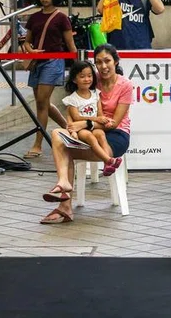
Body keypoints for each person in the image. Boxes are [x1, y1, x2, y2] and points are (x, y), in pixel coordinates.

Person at [41, 44, 132, 224]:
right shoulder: (90, 80)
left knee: (64, 149)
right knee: (57, 134)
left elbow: (113, 122)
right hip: (88, 133)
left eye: (107, 61)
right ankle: (63, 183)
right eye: (99, 62)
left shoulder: (125, 85)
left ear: (116, 61)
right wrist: (74, 125)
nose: (103, 66)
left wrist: (85, 123)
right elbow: (72, 106)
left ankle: (65, 206)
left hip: (115, 136)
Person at [22, 0, 76, 159]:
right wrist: (31, 50)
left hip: (54, 61)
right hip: (37, 61)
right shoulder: (34, 17)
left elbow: (70, 44)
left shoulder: (61, 18)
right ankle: (68, 127)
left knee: (41, 102)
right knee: (41, 102)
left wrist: (77, 66)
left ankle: (38, 144)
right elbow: (27, 42)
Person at [59, 60, 122, 175]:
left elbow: (100, 113)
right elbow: (77, 118)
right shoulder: (72, 99)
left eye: (89, 76)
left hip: (93, 126)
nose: (87, 79)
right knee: (91, 138)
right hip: (81, 129)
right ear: (74, 80)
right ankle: (108, 160)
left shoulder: (95, 94)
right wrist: (96, 119)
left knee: (101, 135)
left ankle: (107, 164)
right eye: (82, 76)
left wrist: (105, 120)